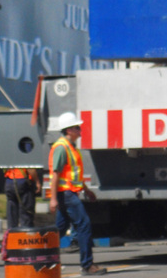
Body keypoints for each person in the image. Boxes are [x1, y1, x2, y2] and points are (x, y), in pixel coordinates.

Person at [49, 112, 106, 276]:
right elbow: (56, 175)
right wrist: (53, 199)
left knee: (60, 229)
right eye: (77, 128)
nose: (80, 131)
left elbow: (74, 175)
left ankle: (44, 257)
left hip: (69, 193)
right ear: (69, 130)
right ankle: (87, 265)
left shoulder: (71, 147)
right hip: (66, 194)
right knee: (84, 225)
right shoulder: (62, 148)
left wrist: (86, 190)